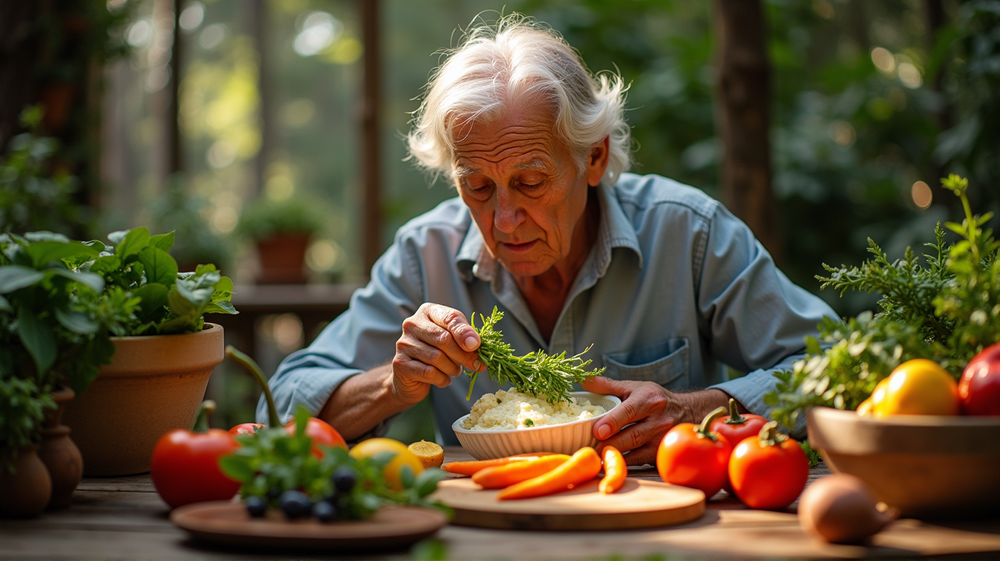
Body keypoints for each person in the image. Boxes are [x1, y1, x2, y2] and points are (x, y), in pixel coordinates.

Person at [258, 14, 837, 465]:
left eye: (530, 183)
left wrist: (699, 408)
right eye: (478, 187)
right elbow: (278, 403)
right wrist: (393, 383)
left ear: (594, 157)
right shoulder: (424, 254)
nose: (504, 219)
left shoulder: (688, 232)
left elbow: (837, 365)